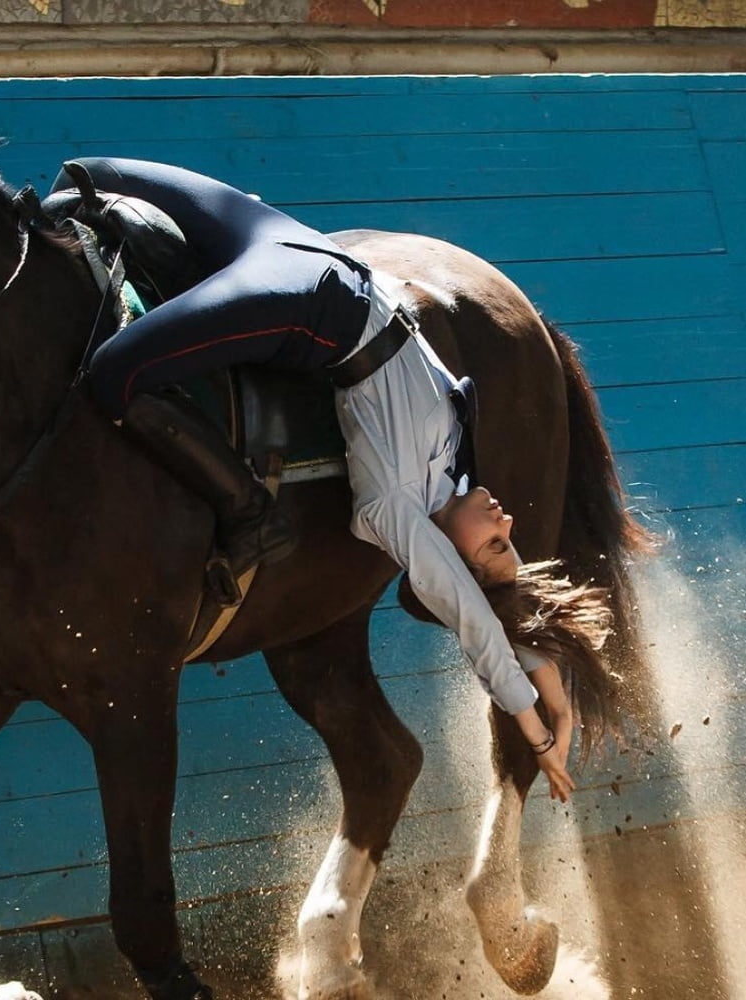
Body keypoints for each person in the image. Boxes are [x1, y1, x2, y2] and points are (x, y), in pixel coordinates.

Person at [44, 157, 611, 803]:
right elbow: (499, 616)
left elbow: (475, 625)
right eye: (509, 538)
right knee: (85, 172)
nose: (506, 523)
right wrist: (549, 681)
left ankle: (245, 511)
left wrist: (533, 727)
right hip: (299, 244)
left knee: (113, 374)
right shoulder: (453, 472)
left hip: (313, 303)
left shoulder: (401, 513)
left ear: (445, 556)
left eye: (492, 545)